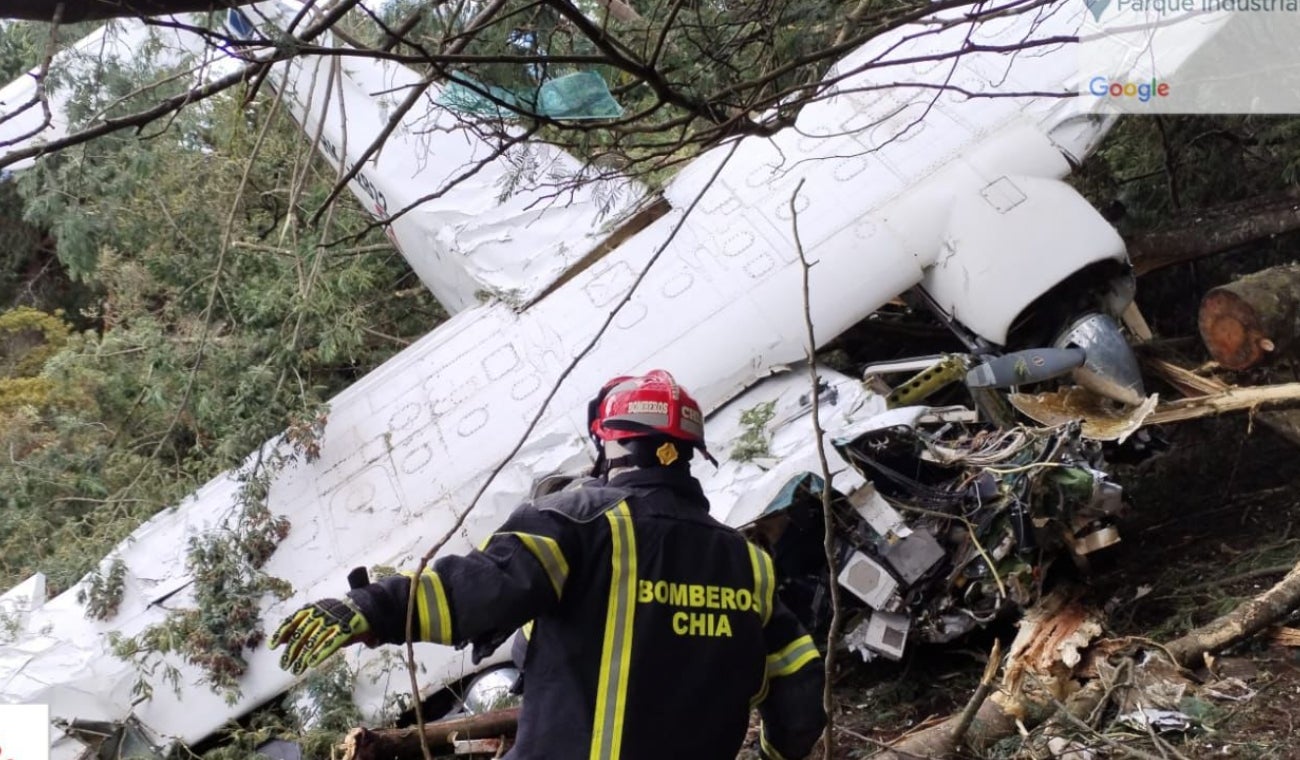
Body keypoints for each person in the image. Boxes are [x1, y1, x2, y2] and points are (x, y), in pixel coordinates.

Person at [270, 369, 826, 759]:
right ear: (688, 454)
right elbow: (799, 691)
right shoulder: (749, 563)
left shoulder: (579, 523)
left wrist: (370, 607)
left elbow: (477, 593)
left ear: (611, 446)